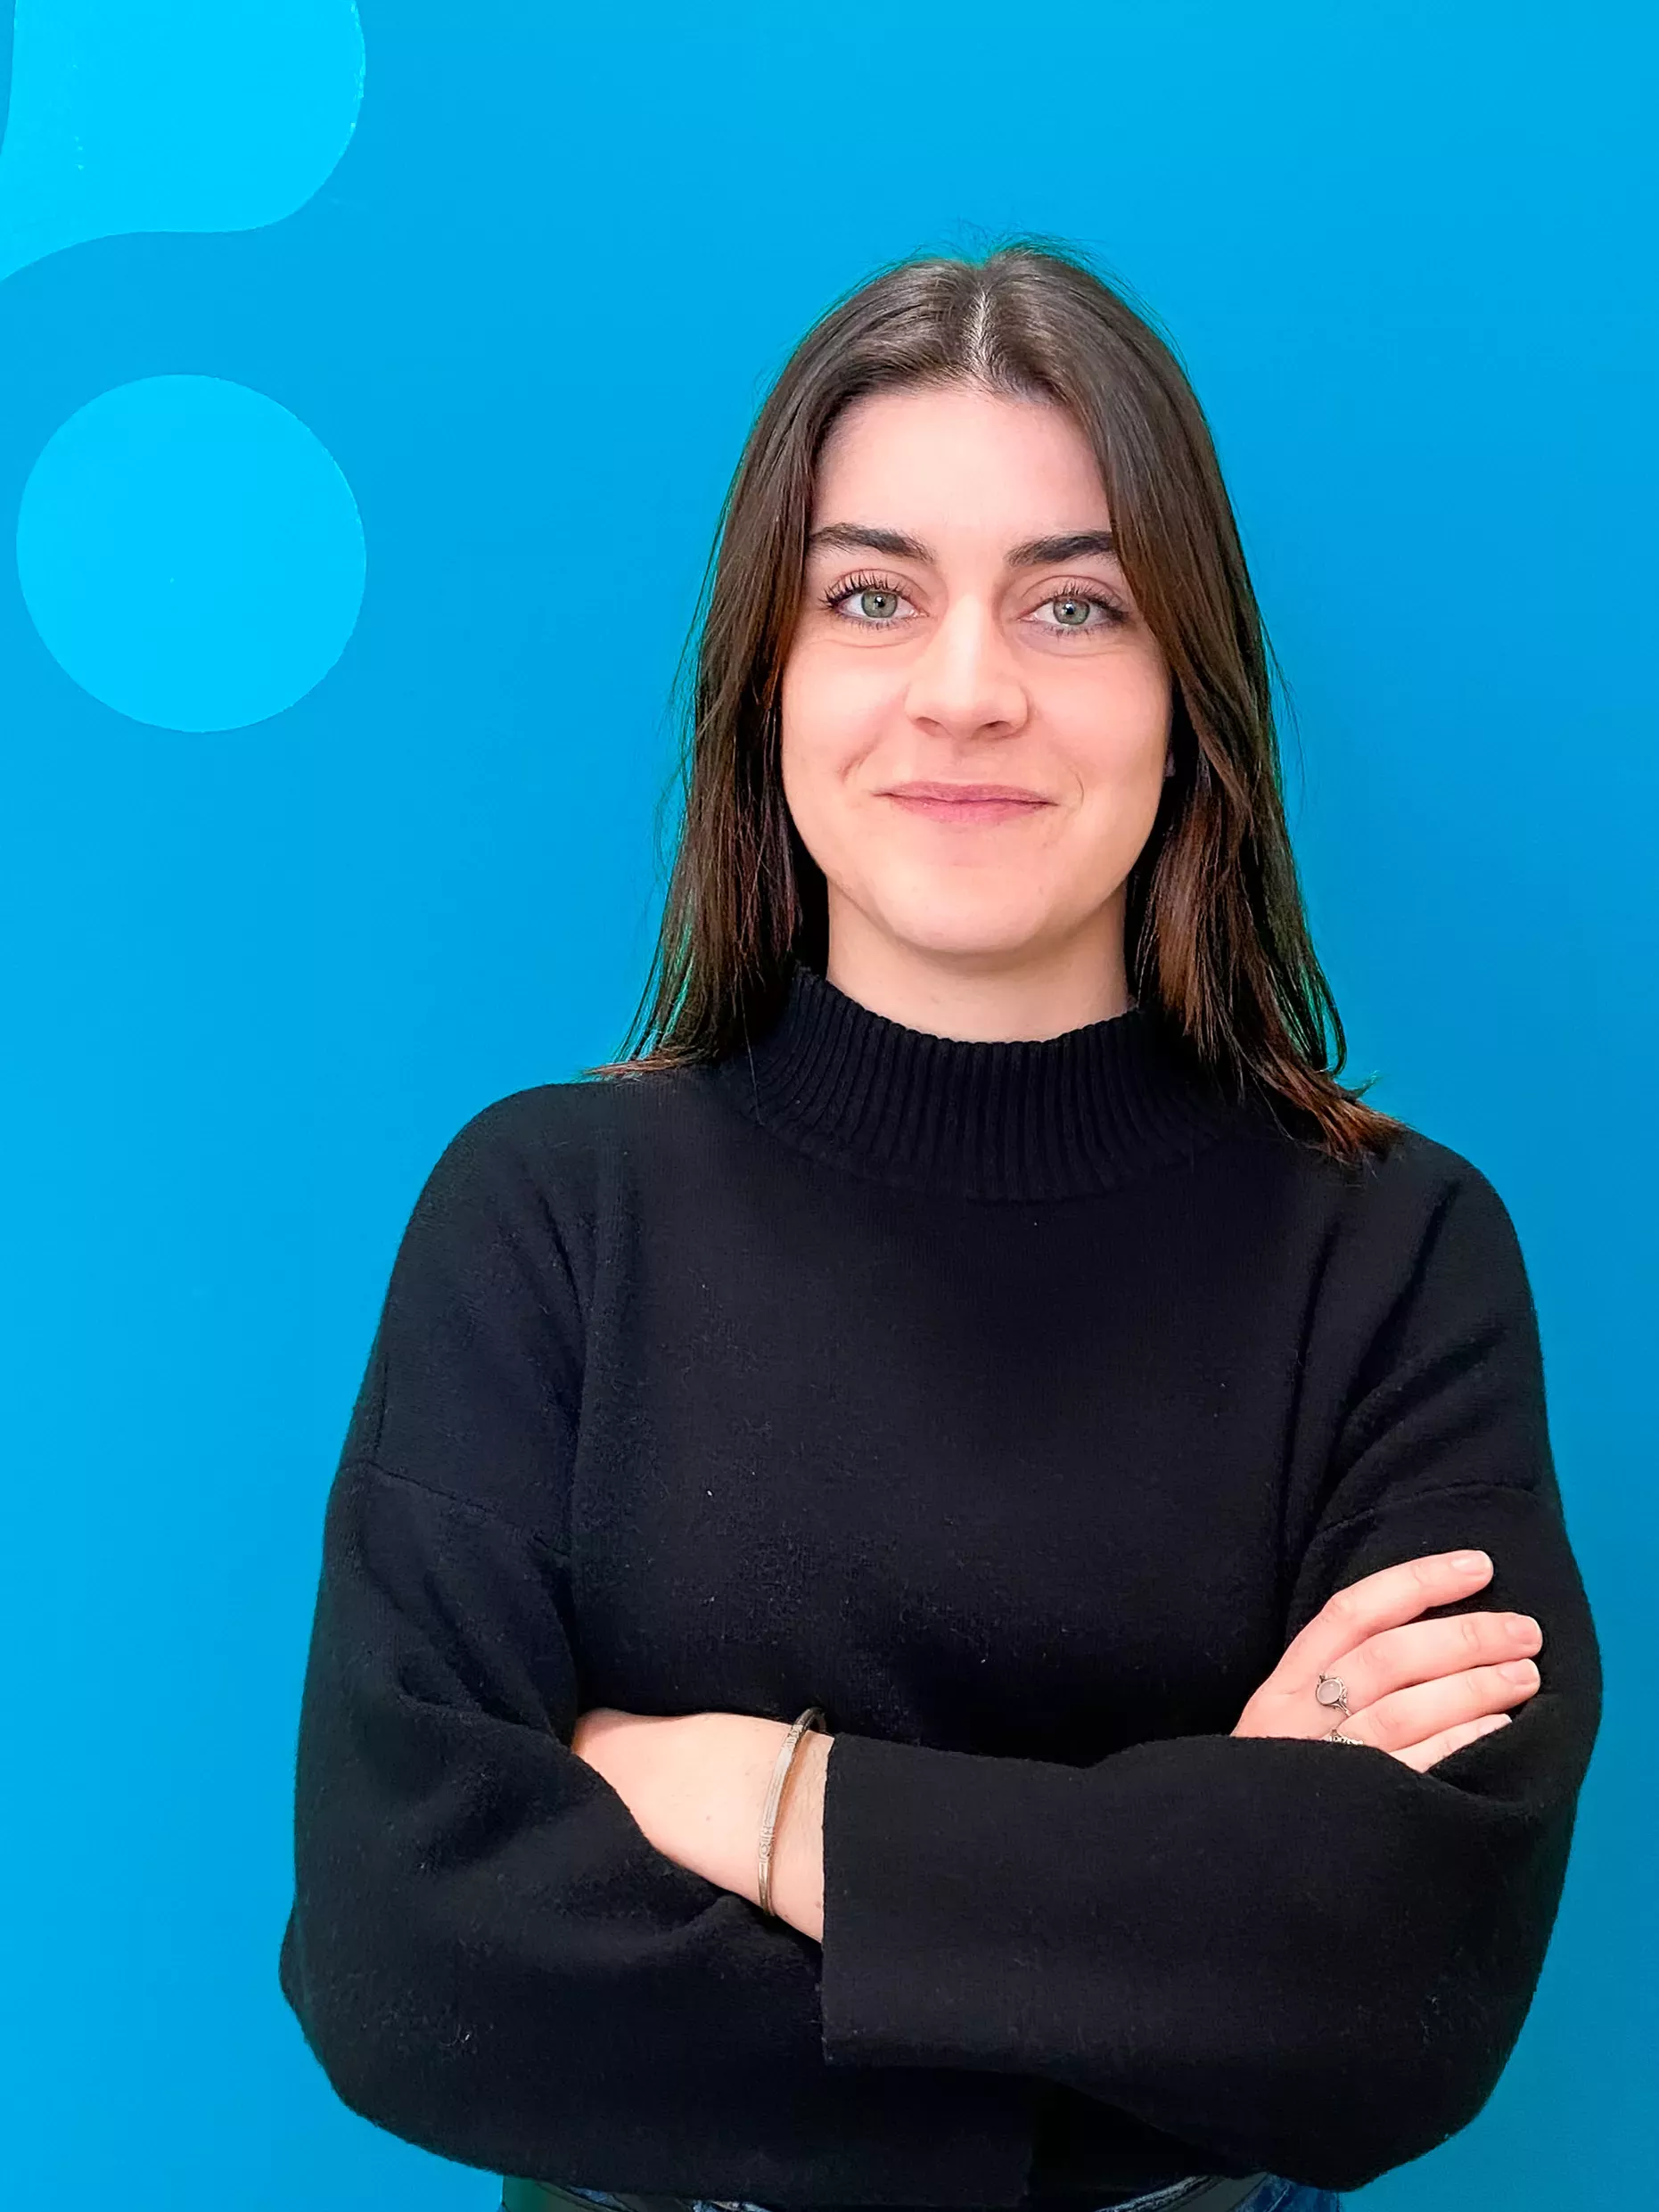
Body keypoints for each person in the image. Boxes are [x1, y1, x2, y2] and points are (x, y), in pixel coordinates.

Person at [277, 238, 1603, 2212]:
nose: (967, 691)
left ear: (1188, 697)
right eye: (873, 596)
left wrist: (768, 1798)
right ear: (770, 680)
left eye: (1076, 603)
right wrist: (1177, 1936)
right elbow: (409, 1962)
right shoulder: (550, 1218)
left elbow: (1400, 1989)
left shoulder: (1392, 1255)